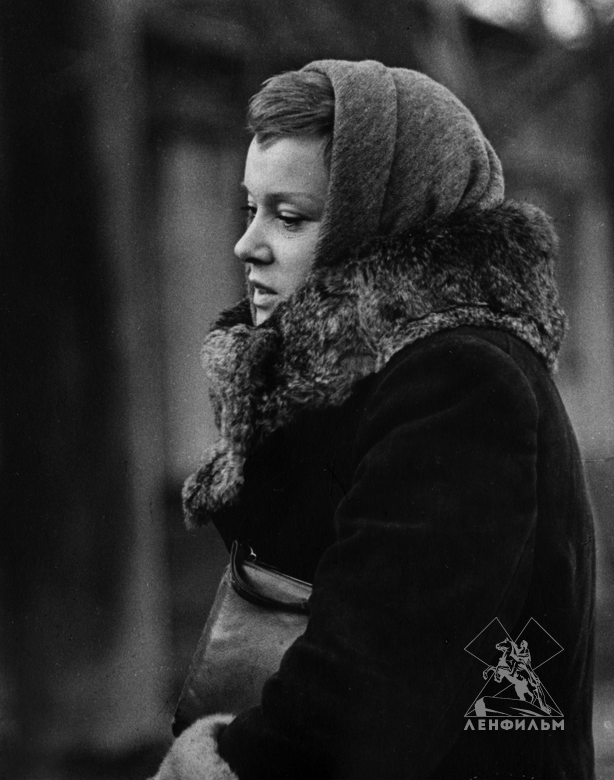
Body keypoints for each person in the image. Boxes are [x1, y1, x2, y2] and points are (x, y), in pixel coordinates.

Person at [155, 60, 594, 778]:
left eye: (290, 217)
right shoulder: (363, 374)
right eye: (250, 208)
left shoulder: (461, 382)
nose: (248, 244)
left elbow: (370, 687)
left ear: (377, 220)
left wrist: (219, 767)